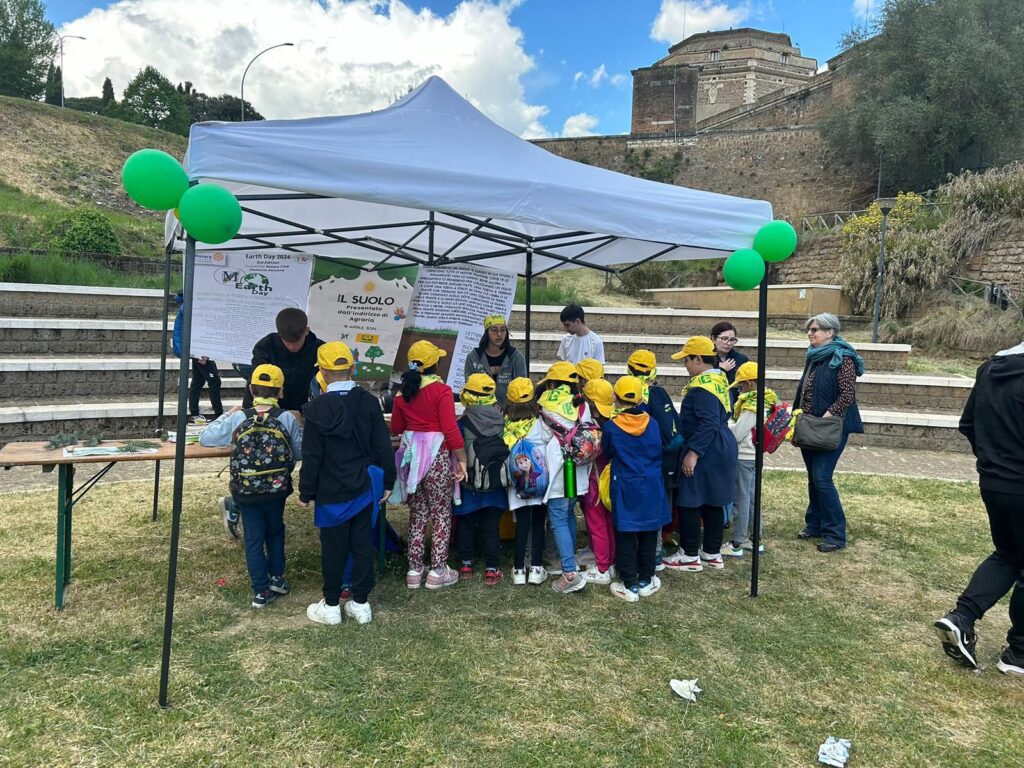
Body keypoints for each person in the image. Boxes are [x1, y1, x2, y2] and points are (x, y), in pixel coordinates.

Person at [934, 341, 1024, 676]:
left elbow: (968, 424)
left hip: (994, 481)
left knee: (1008, 555)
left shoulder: (989, 369)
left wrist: (992, 460)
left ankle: (962, 618)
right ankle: (1019, 653)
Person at [199, 364, 303, 608]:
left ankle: (261, 590)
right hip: (276, 488)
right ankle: (277, 578)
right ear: (280, 392)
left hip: (246, 489)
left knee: (253, 538)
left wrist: (228, 414)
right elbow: (298, 453)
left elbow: (206, 438)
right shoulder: (286, 417)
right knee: (275, 531)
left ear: (250, 389)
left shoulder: (240, 417)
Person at [391, 340, 468, 590]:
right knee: (441, 513)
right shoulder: (441, 390)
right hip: (437, 458)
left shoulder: (402, 393)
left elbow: (396, 427)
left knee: (418, 513)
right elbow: (450, 429)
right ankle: (437, 571)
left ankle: (414, 570)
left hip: (413, 462)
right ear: (436, 364)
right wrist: (462, 459)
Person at [662, 337, 737, 573]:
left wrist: (693, 453)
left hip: (706, 448)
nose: (685, 365)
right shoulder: (718, 379)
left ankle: (689, 555)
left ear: (697, 359)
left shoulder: (701, 389)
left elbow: (708, 423)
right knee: (713, 500)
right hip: (722, 445)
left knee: (690, 500)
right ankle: (712, 553)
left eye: (686, 360)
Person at [793, 313, 864, 553]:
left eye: (814, 330)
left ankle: (835, 534)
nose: (810, 333)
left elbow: (847, 395)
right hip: (809, 426)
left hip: (831, 427)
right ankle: (814, 524)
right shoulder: (813, 356)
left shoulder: (843, 358)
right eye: (809, 330)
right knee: (813, 477)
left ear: (830, 332)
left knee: (822, 477)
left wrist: (828, 415)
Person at [602, 376, 671, 601]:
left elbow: (607, 451)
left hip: (625, 485)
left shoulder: (611, 427)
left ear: (615, 398)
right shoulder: (653, 423)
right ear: (641, 399)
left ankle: (629, 583)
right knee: (649, 532)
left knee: (625, 534)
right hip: (651, 485)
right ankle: (646, 579)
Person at [536, 361, 592, 593]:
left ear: (551, 384)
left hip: (558, 469)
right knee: (568, 512)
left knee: (558, 517)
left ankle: (569, 573)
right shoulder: (582, 404)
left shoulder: (545, 405)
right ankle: (567, 562)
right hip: (578, 468)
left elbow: (540, 437)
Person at [455, 373, 509, 586]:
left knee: (466, 524)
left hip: (470, 483)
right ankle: (491, 569)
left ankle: (466, 565)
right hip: (495, 484)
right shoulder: (502, 421)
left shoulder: (462, 423)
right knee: (491, 527)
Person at [726, 362, 777, 556]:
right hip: (755, 455)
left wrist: (728, 424)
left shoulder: (751, 405)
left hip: (744, 456)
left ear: (748, 383)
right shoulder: (767, 399)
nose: (739, 390)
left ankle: (737, 542)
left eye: (740, 386)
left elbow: (737, 434)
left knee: (741, 499)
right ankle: (755, 539)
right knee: (753, 498)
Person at [502, 377, 549, 586]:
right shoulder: (540, 422)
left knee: (522, 524)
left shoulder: (505, 424)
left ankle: (519, 569)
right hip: (539, 483)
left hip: (517, 485)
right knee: (539, 523)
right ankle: (537, 568)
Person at [246, 307, 325, 411]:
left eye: (297, 341)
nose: (292, 347)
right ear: (279, 333)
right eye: (287, 342)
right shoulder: (265, 347)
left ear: (306, 331)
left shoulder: (320, 349)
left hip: (307, 407)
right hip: (271, 407)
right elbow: (257, 382)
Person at [580, 378, 615, 585]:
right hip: (610, 479)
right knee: (609, 522)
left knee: (597, 524)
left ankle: (602, 568)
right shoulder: (613, 422)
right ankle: (610, 562)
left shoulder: (590, 427)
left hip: (594, 481)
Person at [172, 292, 223, 422]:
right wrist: (201, 352)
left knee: (198, 381)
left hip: (197, 347)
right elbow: (197, 328)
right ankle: (219, 415)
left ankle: (194, 413)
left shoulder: (187, 303)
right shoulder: (191, 305)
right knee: (214, 381)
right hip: (200, 349)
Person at [463, 314, 528, 404]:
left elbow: (522, 389)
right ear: (487, 332)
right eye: (494, 330)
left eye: (503, 330)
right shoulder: (473, 357)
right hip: (480, 409)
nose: (499, 334)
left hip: (510, 410)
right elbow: (469, 389)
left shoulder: (516, 357)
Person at [709, 321, 749, 390]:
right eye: (724, 338)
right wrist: (721, 370)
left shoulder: (741, 359)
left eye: (732, 339)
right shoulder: (706, 359)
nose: (729, 343)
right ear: (713, 339)